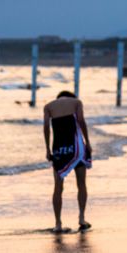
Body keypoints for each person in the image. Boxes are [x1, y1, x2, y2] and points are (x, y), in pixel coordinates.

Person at [43, 91, 92, 233]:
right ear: (71, 96)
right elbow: (81, 121)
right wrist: (88, 142)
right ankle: (82, 218)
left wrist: (47, 149)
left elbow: (46, 127)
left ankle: (58, 224)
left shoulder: (49, 106)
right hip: (77, 147)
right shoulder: (76, 102)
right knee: (81, 183)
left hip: (59, 149)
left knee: (58, 187)